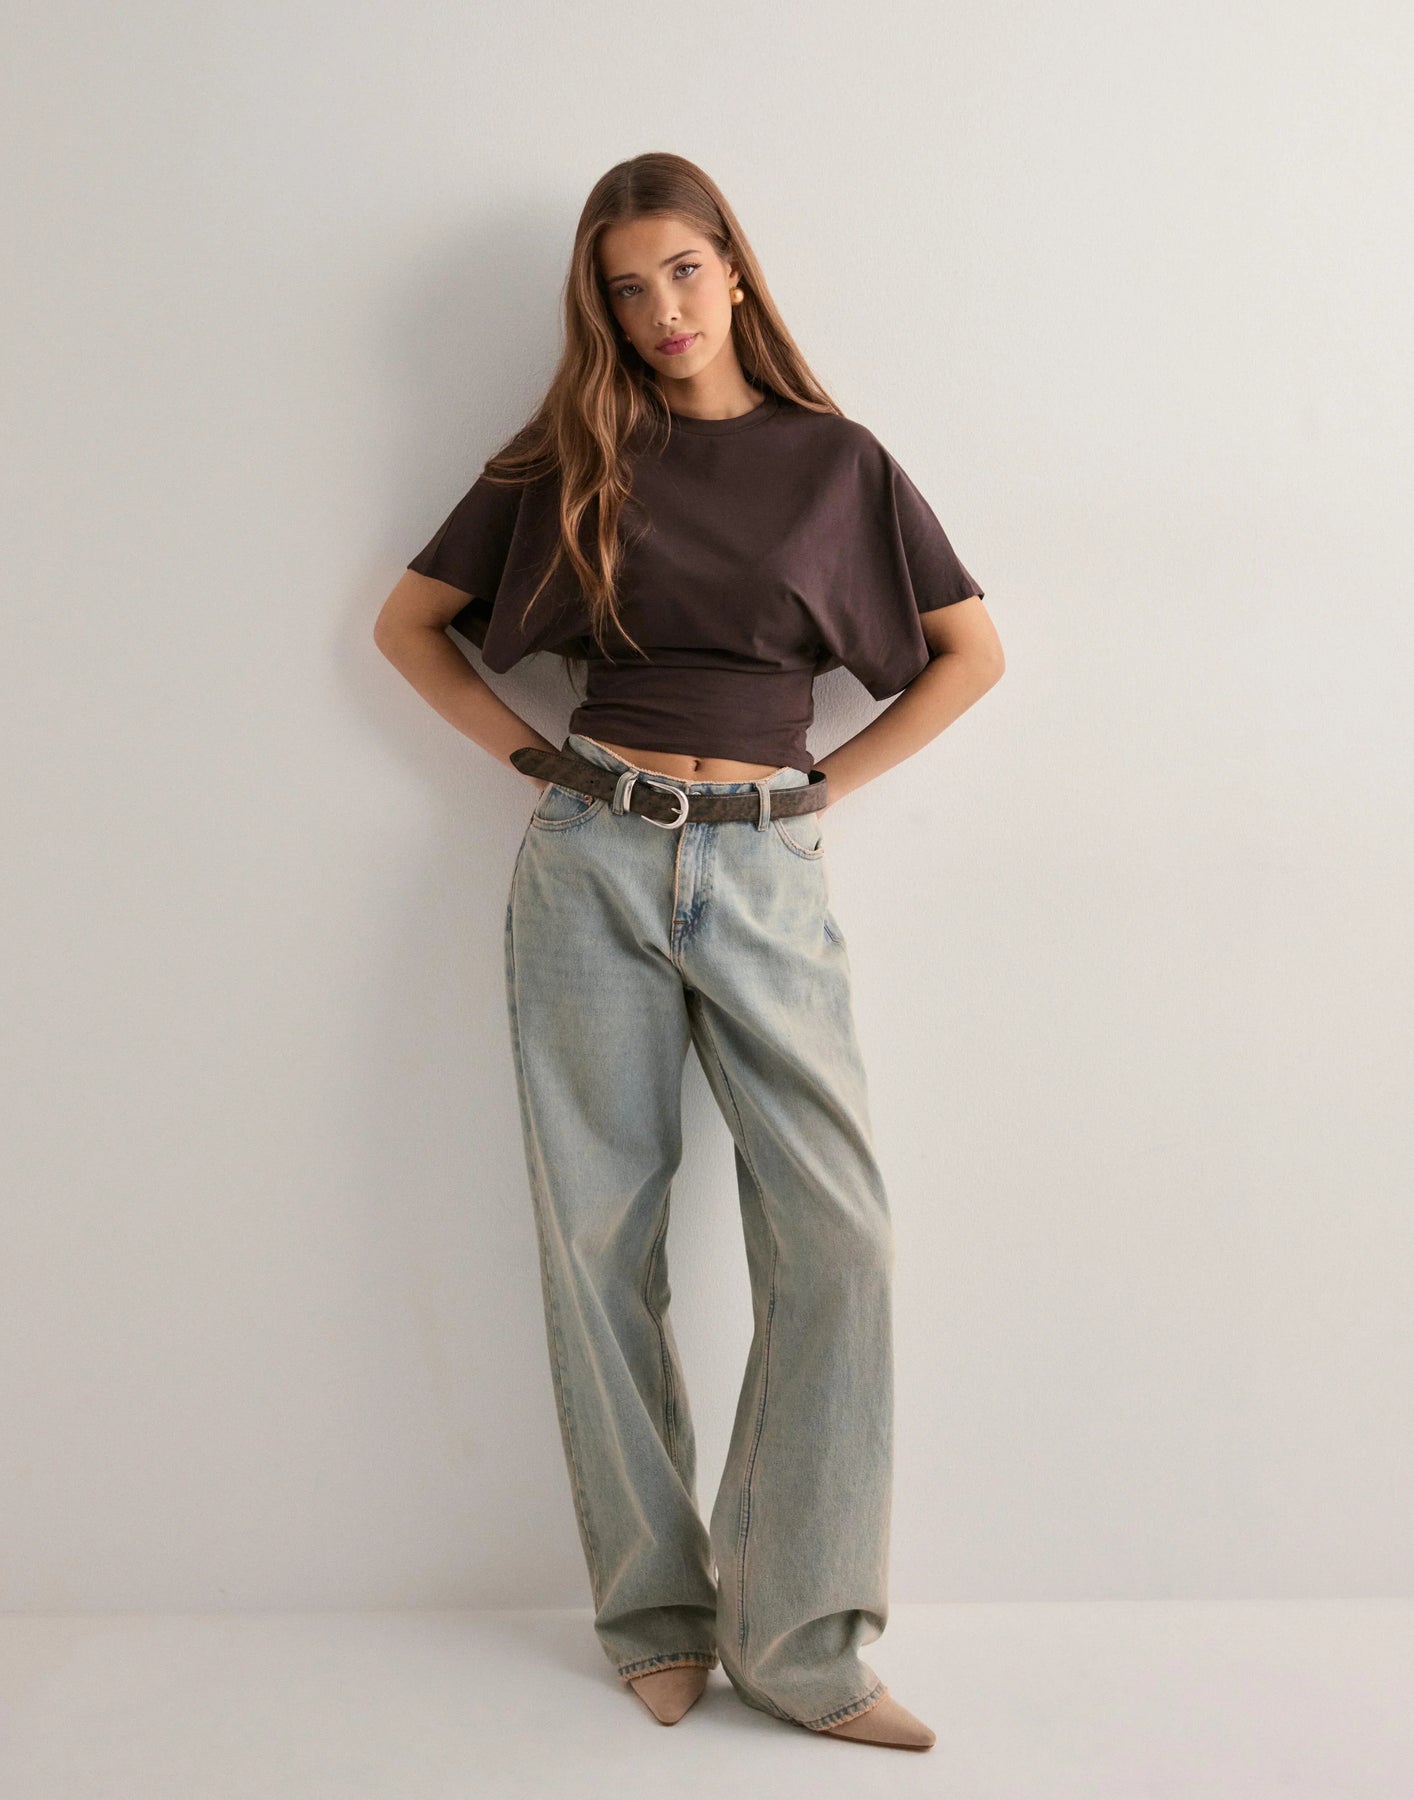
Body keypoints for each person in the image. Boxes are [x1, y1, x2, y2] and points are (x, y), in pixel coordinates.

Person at [374, 151, 1004, 1751]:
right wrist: (536, 761)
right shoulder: (566, 456)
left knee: (838, 1241)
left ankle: (800, 1640)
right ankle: (651, 1618)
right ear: (599, 307)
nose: (659, 308)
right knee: (601, 1245)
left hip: (764, 866)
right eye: (624, 286)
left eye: (679, 270)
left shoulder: (833, 461)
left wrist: (820, 791)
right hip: (590, 858)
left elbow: (969, 652)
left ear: (731, 268)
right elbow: (407, 626)